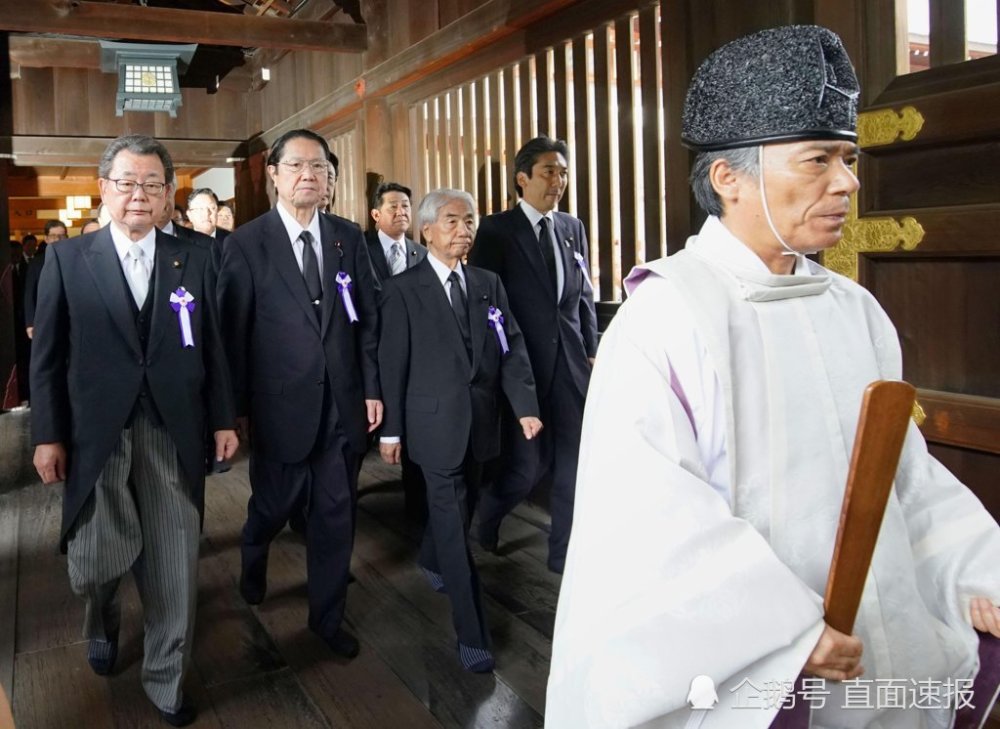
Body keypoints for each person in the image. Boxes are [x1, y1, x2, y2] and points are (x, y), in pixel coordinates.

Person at [545, 25, 1000, 729]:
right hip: (759, 663)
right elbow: (647, 519)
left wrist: (980, 567)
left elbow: (905, 480)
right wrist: (782, 631)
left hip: (879, 644)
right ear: (728, 178)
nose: (847, 181)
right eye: (817, 159)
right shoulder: (666, 317)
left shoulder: (857, 310)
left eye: (847, 158)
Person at [30, 134, 238, 727]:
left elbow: (215, 349)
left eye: (153, 184)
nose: (139, 195)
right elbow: (46, 357)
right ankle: (102, 615)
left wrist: (223, 418)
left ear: (170, 194)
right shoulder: (69, 260)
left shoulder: (195, 256)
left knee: (175, 557)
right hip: (96, 431)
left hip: (174, 427)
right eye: (127, 183)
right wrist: (48, 434)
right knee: (96, 560)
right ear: (104, 190)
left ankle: (166, 678)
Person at [217, 128, 382, 660]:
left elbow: (368, 323)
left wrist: (372, 389)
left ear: (331, 180)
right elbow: (232, 335)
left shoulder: (348, 238)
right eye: (297, 167)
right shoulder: (246, 243)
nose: (309, 176)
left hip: (341, 404)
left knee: (336, 515)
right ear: (275, 176)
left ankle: (327, 618)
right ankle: (254, 553)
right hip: (279, 405)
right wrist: (235, 410)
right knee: (272, 506)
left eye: (320, 168)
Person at [378, 189, 541, 672]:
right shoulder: (403, 290)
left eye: (469, 220)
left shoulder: (488, 283)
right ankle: (473, 634)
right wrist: (391, 431)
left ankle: (430, 558)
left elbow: (510, 346)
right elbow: (393, 365)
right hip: (432, 426)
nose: (464, 229)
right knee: (455, 528)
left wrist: (525, 406)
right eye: (452, 220)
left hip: (482, 423)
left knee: (463, 505)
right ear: (426, 229)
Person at [469, 135, 598, 573]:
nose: (558, 180)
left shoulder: (572, 228)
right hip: (522, 367)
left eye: (563, 172)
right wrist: (500, 363)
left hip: (571, 364)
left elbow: (582, 297)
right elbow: (487, 307)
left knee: (574, 461)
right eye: (549, 171)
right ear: (522, 178)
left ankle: (562, 554)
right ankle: (489, 515)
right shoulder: (496, 230)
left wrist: (592, 350)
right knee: (528, 466)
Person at [365, 181, 428, 519]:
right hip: (372, 351)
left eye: (406, 206)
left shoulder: (421, 253)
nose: (402, 212)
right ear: (376, 213)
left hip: (413, 358)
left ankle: (416, 513)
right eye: (394, 206)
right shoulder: (360, 248)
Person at [23, 220, 68, 339]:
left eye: (62, 236)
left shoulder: (74, 260)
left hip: (70, 317)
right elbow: (29, 294)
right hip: (45, 318)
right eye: (53, 236)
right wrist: (30, 323)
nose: (58, 239)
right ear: (46, 239)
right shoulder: (36, 263)